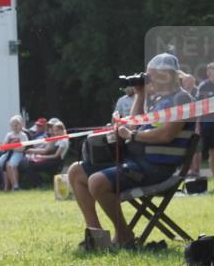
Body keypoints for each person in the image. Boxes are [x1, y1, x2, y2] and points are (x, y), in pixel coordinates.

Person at [67, 53, 194, 250]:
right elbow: (134, 126)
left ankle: (124, 234)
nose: (149, 80)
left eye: (152, 76)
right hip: (136, 161)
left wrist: (132, 136)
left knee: (97, 181)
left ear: (168, 75)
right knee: (76, 172)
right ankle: (96, 237)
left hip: (157, 167)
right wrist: (140, 95)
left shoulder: (182, 98)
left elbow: (166, 135)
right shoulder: (158, 100)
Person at [0, 115, 28, 191]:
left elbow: (22, 149)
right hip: (8, 153)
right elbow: (3, 146)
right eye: (13, 125)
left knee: (12, 165)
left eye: (16, 125)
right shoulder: (9, 135)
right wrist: (8, 146)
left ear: (21, 125)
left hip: (18, 154)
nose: (15, 127)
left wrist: (10, 147)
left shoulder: (23, 135)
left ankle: (15, 186)